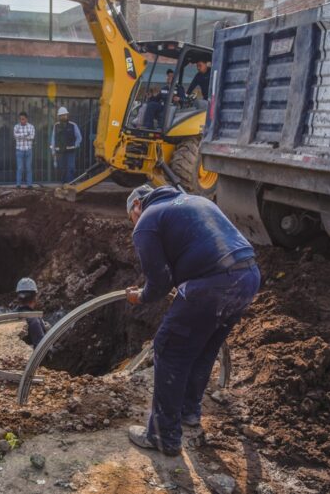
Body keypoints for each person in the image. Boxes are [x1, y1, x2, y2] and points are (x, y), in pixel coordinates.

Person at [124, 184, 261, 456]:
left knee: (168, 348)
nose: (134, 224)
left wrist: (140, 297)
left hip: (212, 285)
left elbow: (160, 282)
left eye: (131, 218)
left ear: (137, 205)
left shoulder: (148, 221)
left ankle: (163, 436)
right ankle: (188, 412)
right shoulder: (193, 200)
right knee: (204, 349)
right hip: (248, 277)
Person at [50, 107, 82, 184]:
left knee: (71, 167)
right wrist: (53, 150)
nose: (63, 116)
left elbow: (79, 137)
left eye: (64, 115)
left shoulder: (73, 125)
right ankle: (64, 183)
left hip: (70, 151)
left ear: (67, 115)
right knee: (62, 168)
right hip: (60, 151)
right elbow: (53, 138)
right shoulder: (56, 125)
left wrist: (76, 145)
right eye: (61, 115)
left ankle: (70, 183)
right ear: (59, 116)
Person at [14, 277, 49, 347]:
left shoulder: (11, 316)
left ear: (18, 298)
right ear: (35, 297)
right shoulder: (34, 320)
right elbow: (42, 350)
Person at [13, 112, 35, 189]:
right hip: (19, 150)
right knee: (20, 168)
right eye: (20, 119)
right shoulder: (16, 127)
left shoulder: (31, 126)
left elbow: (32, 137)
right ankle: (18, 184)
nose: (21, 121)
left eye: (23, 119)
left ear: (26, 119)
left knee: (28, 168)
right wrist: (26, 135)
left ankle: (29, 185)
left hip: (28, 150)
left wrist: (21, 136)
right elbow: (15, 136)